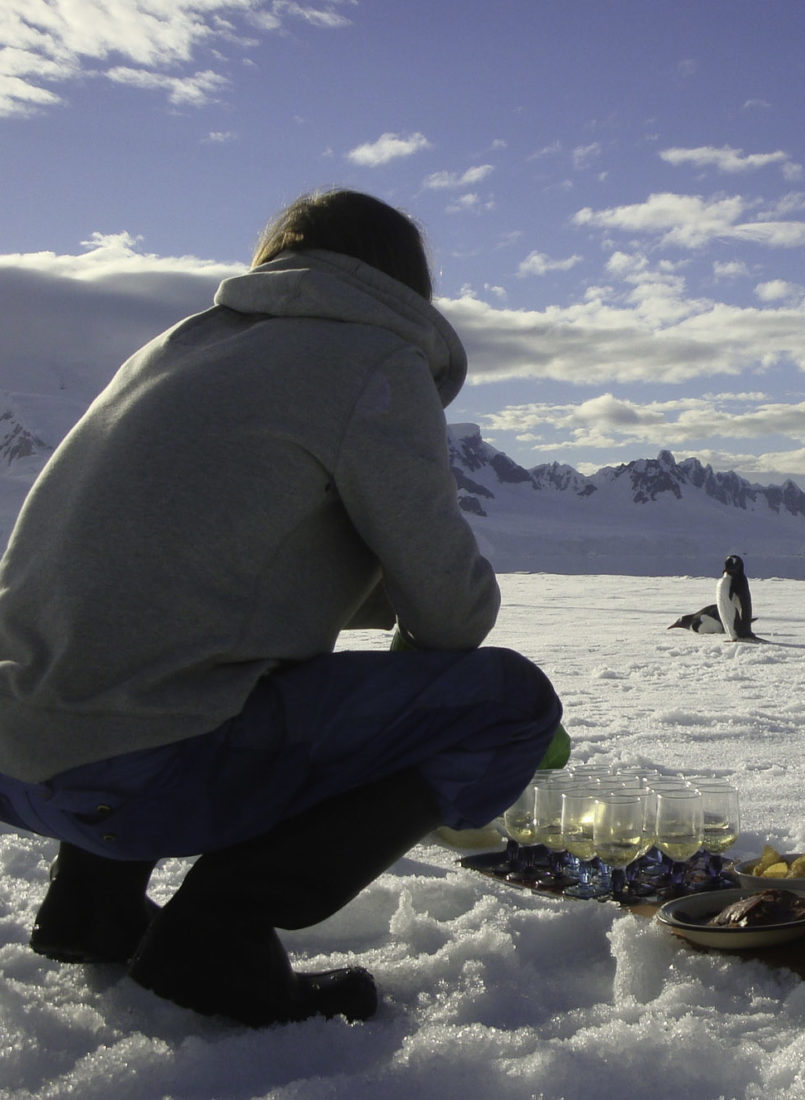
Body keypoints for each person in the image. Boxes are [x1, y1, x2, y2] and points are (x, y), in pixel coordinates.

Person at [0, 190, 564, 1027]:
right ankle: (218, 931)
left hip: (17, 759)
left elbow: (188, 571)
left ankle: (92, 907)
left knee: (143, 653)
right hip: (139, 778)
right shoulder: (372, 360)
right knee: (510, 706)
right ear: (407, 286)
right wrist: (411, 683)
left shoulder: (173, 349)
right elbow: (452, 615)